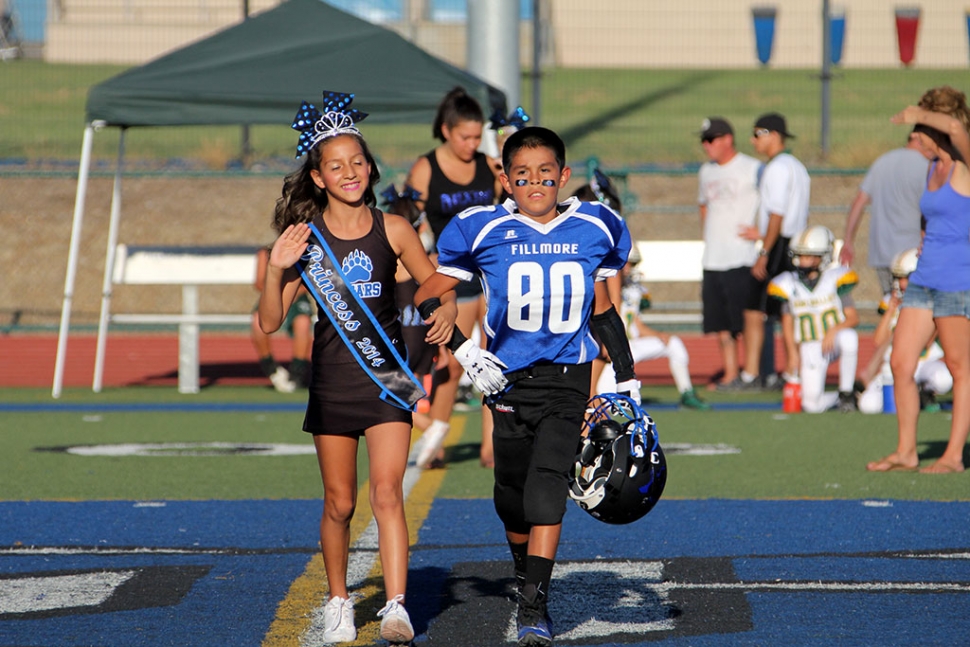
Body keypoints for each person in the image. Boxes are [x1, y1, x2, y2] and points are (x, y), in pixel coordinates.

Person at [414, 126, 639, 647]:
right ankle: (524, 571)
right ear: (506, 180)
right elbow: (429, 292)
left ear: (563, 176)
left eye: (545, 173)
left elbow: (602, 312)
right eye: (522, 174)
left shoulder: (595, 225)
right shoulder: (479, 228)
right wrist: (466, 351)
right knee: (511, 491)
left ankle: (535, 603)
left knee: (547, 486)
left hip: (568, 377)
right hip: (506, 378)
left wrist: (625, 376)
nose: (534, 182)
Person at [258, 91, 461, 644]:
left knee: (388, 492)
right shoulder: (304, 240)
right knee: (340, 502)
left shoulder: (393, 227)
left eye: (357, 162)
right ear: (319, 177)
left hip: (387, 382)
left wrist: (443, 312)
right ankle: (339, 601)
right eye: (336, 166)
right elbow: (270, 323)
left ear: (370, 167)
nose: (349, 172)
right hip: (332, 383)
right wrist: (277, 271)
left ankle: (396, 606)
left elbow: (435, 285)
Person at [867, 85, 970, 474]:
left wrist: (920, 114)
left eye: (920, 133)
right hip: (924, 278)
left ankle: (953, 456)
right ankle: (907, 451)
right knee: (901, 362)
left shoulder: (963, 162)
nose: (915, 140)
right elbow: (934, 217)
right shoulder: (932, 168)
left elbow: (958, 130)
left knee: (961, 368)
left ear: (936, 126)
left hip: (957, 282)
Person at [406, 86, 503, 468]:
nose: (473, 144)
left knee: (496, 359)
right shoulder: (426, 167)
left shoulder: (488, 165)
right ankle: (436, 442)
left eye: (478, 136)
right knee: (452, 362)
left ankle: (491, 447)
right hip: (451, 277)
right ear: (446, 130)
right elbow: (408, 220)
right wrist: (423, 253)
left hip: (491, 275)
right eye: (466, 136)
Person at [695, 117, 765, 390]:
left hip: (742, 256)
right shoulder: (706, 172)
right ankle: (731, 374)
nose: (706, 145)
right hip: (714, 258)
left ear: (727, 139)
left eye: (711, 139)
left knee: (746, 319)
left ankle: (752, 374)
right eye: (703, 140)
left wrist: (761, 232)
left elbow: (773, 202)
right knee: (721, 324)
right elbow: (703, 206)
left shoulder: (753, 168)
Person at [381, 183, 447, 467]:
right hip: (423, 336)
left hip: (399, 340)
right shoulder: (429, 260)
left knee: (384, 390)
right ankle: (422, 438)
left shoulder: (389, 261)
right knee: (406, 394)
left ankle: (429, 426)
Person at [595, 246, 711, 409]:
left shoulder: (632, 291)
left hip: (631, 345)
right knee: (603, 403)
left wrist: (658, 334)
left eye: (632, 264)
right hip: (611, 348)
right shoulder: (602, 286)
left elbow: (636, 324)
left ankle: (687, 393)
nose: (628, 269)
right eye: (626, 263)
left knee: (674, 343)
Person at [742, 112, 811, 388]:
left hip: (780, 245)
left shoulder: (777, 168)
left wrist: (764, 251)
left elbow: (777, 214)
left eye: (758, 133)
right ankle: (790, 369)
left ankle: (752, 373)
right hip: (794, 243)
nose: (753, 140)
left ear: (774, 135)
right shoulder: (796, 166)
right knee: (787, 310)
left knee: (754, 309)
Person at [768, 225, 860, 413]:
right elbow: (787, 322)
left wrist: (834, 330)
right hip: (810, 345)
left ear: (823, 257)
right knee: (811, 405)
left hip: (835, 340)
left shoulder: (834, 278)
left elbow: (853, 318)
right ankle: (840, 398)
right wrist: (792, 354)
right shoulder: (788, 282)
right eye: (800, 256)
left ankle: (846, 393)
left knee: (849, 337)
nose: (802, 261)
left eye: (808, 256)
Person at [857, 248, 953, 414]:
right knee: (868, 405)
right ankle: (912, 395)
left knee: (943, 379)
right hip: (893, 367)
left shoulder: (932, 301)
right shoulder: (890, 302)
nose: (901, 283)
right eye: (899, 277)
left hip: (923, 363)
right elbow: (878, 341)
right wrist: (891, 311)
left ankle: (923, 391)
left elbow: (926, 341)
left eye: (906, 278)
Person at [839, 132, 931, 295]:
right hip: (913, 254)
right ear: (918, 138)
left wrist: (848, 242)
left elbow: (859, 201)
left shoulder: (882, 162)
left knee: (890, 305)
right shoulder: (926, 167)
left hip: (882, 253)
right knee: (915, 309)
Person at [251, 245, 313, 393]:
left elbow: (312, 281)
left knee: (302, 323)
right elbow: (260, 283)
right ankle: (271, 369)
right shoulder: (266, 252)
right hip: (273, 296)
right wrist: (276, 292)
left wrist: (291, 292)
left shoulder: (308, 251)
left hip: (297, 296)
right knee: (258, 322)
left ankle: (298, 372)